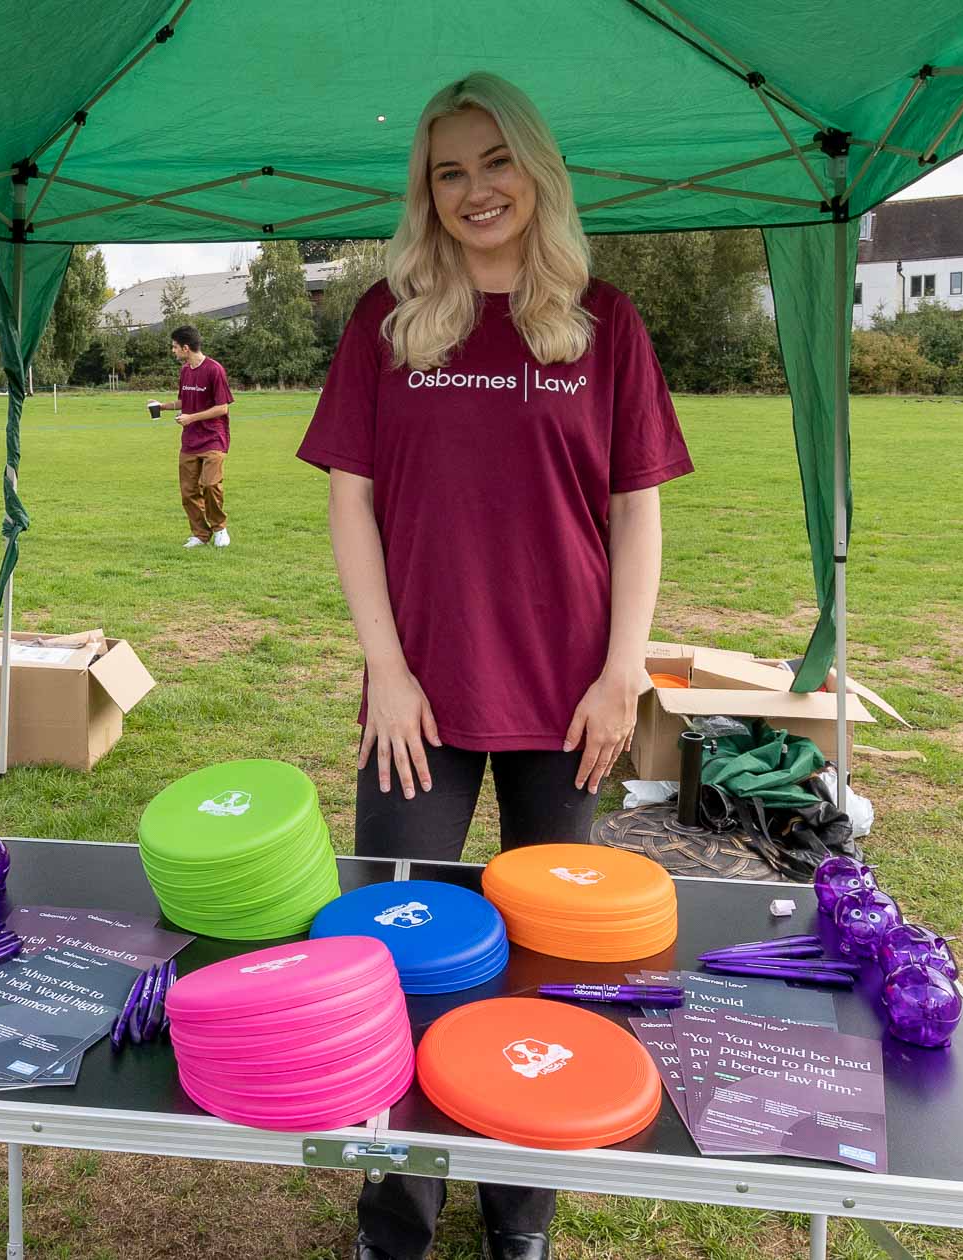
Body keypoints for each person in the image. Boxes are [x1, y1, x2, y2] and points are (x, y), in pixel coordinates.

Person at [297, 72, 692, 1260]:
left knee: (549, 965)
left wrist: (623, 672)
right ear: (426, 191)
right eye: (449, 171)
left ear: (537, 170)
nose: (475, 190)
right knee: (396, 959)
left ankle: (521, 1210)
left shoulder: (605, 322)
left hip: (569, 697)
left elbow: (636, 510)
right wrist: (387, 668)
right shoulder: (388, 321)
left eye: (495, 162)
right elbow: (351, 505)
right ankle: (398, 1214)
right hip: (417, 693)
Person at [172, 324, 234, 548]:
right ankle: (200, 534)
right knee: (188, 491)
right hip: (190, 440)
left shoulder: (214, 370)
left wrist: (191, 418)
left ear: (186, 348)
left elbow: (222, 408)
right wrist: (161, 406)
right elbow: (184, 402)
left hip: (213, 438)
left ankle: (220, 529)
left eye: (175, 347)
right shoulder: (185, 371)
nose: (173, 351)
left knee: (210, 484)